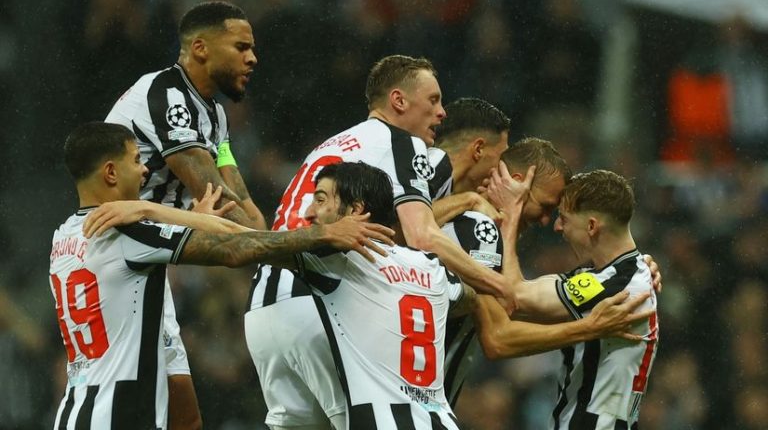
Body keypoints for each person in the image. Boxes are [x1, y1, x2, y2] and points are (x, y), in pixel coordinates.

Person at [50, 122, 393, 429]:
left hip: (77, 409)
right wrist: (322, 234)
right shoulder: (126, 233)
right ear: (111, 172)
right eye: (136, 160)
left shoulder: (63, 236)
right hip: (121, 416)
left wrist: (186, 219)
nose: (144, 170)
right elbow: (233, 249)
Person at [244, 56, 512, 430]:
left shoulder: (335, 144)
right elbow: (421, 234)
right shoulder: (402, 143)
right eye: (433, 100)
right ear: (399, 101)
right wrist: (500, 284)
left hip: (265, 304)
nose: (441, 112)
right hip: (323, 300)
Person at [258, 161, 530, 429]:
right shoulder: (430, 266)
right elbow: (468, 298)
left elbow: (249, 248)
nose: (309, 212)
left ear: (355, 210)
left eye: (320, 200)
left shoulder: (339, 260)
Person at [104, 2, 266, 427]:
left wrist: (266, 241)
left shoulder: (215, 114)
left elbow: (241, 202)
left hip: (155, 254)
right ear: (200, 48)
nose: (253, 58)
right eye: (241, 47)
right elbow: (221, 205)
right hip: (116, 256)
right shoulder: (167, 96)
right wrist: (287, 246)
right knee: (128, 410)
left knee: (186, 417)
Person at [427, 103, 653, 406]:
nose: (548, 222)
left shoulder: (455, 216)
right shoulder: (480, 229)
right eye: (545, 207)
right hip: (414, 402)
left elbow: (515, 305)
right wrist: (588, 329)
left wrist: (634, 268)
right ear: (515, 183)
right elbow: (498, 339)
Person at [485, 167, 659, 429]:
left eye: (564, 218)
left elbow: (513, 296)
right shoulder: (627, 273)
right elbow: (517, 299)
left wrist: (510, 216)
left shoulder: (615, 287)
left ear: (591, 226)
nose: (557, 227)